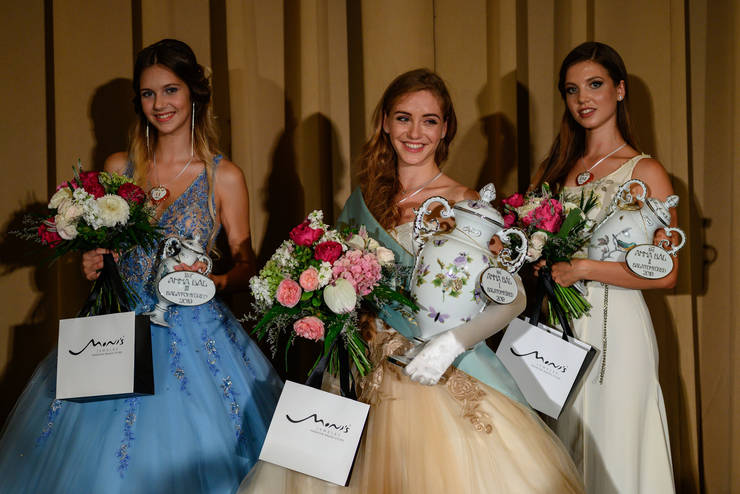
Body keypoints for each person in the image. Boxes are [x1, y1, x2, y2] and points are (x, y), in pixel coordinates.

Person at [239, 69, 584, 493]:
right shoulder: (365, 201)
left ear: (445, 129)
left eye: (429, 121)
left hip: (431, 370)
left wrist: (451, 344)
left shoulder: (465, 204)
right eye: (404, 118)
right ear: (385, 122)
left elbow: (511, 299)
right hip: (360, 370)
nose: (415, 133)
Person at [0, 39, 282, 493]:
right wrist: (93, 260)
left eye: (170, 90)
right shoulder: (120, 167)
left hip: (196, 334)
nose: (160, 104)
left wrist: (213, 280)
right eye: (149, 93)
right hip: (118, 328)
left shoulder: (223, 176)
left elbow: (247, 264)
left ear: (193, 93)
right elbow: (106, 250)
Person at [532, 41, 676, 493]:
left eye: (594, 85)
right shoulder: (557, 170)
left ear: (620, 89)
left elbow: (666, 272)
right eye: (571, 89)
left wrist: (584, 269)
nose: (583, 99)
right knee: (562, 448)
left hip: (619, 332)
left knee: (615, 447)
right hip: (560, 328)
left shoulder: (645, 172)